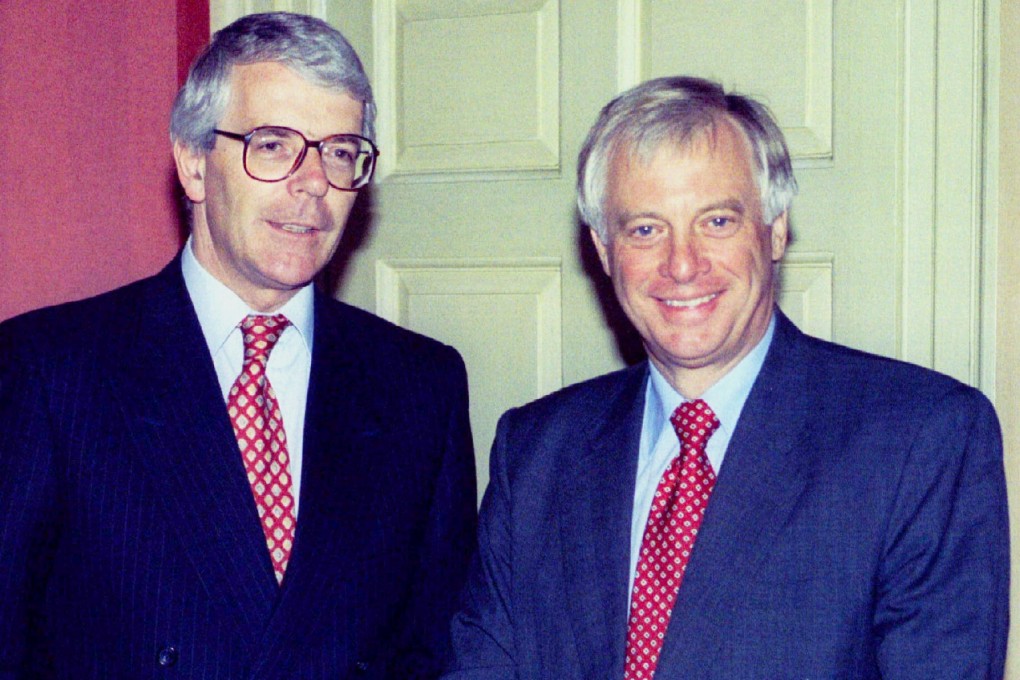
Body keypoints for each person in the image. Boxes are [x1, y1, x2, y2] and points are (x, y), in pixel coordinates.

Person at [443, 76, 1008, 679]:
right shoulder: (535, 452)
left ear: (776, 229)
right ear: (603, 252)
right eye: (645, 229)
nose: (682, 265)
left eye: (716, 221)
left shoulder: (920, 441)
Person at [0, 12, 476, 679]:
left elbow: (440, 648)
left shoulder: (419, 385)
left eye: (340, 151)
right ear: (194, 164)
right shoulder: (53, 372)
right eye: (275, 145)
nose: (313, 182)